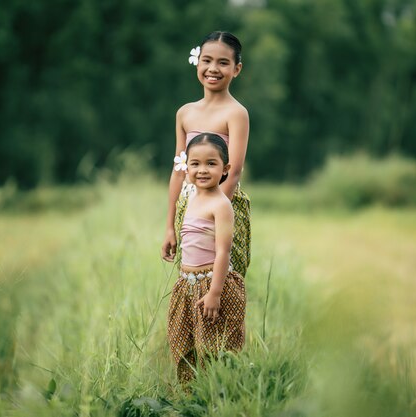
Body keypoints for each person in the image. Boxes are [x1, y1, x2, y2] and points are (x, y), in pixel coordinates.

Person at [161, 31, 251, 278]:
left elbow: (233, 172)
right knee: (191, 280)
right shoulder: (185, 113)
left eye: (223, 62)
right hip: (188, 206)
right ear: (197, 62)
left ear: (236, 69)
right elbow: (179, 169)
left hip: (222, 205)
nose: (213, 68)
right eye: (207, 60)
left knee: (220, 284)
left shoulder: (236, 113)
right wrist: (171, 225)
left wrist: (211, 214)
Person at [164, 133, 246, 383]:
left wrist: (215, 292)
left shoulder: (221, 205)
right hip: (186, 284)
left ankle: (218, 398)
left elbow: (223, 251)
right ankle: (190, 399)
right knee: (184, 346)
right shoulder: (190, 198)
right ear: (186, 166)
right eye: (195, 163)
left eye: (211, 163)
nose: (202, 170)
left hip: (210, 285)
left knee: (214, 349)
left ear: (225, 169)